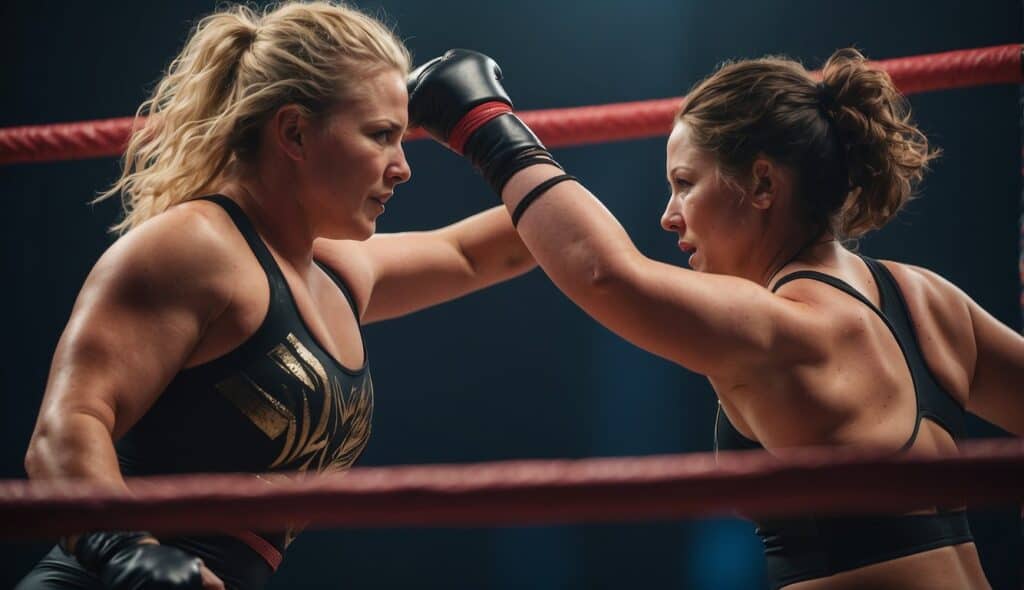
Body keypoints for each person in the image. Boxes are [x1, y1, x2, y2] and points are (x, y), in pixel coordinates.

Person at [406, 48, 1024, 589]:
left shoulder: (787, 330)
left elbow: (609, 274)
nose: (669, 216)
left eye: (684, 182)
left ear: (761, 184)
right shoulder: (930, 299)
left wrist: (484, 122)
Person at [16, 5, 536, 590]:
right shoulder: (194, 247)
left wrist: (493, 129)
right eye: (381, 135)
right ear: (293, 132)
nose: (402, 168)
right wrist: (126, 552)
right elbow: (66, 427)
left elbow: (503, 249)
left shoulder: (334, 270)